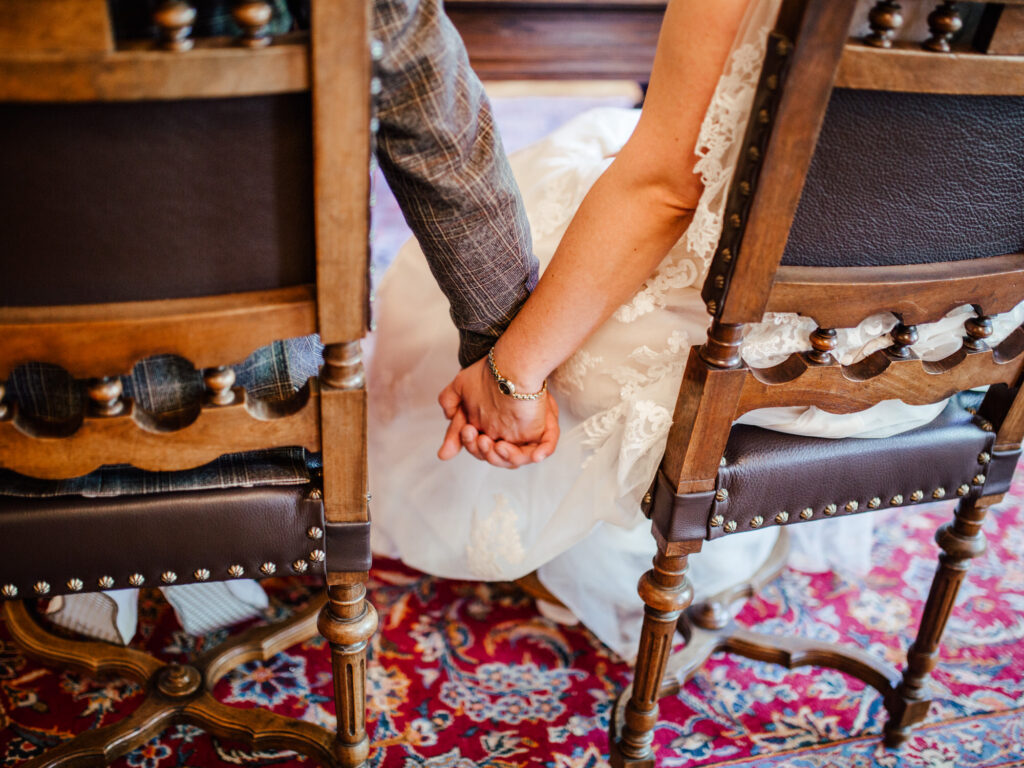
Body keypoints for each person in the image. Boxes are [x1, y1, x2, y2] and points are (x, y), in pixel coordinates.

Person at [367, 0, 1024, 658]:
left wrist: (512, 376)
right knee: (603, 147)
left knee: (547, 192)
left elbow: (664, 191)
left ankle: (589, 533)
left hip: (735, 362)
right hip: (948, 351)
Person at [21, 0, 541, 644]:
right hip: (252, 404)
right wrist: (502, 357)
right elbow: (446, 152)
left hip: (32, 413)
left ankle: (94, 566)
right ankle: (203, 553)